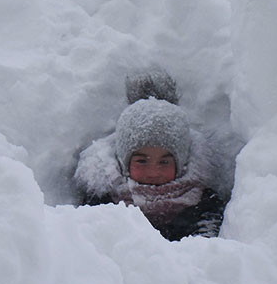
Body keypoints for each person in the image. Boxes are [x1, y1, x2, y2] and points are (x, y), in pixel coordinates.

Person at [77, 84, 226, 241]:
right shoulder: (102, 205)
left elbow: (205, 253)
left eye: (164, 162)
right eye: (141, 161)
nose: (153, 172)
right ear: (123, 163)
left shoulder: (203, 205)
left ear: (181, 163)